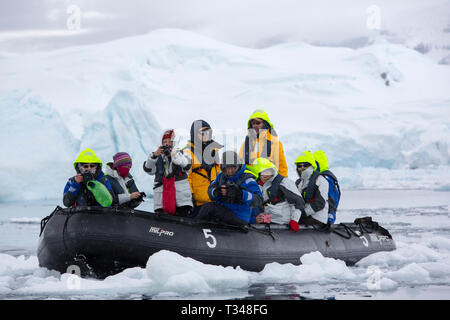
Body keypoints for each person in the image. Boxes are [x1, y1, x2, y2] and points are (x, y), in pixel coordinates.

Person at [196, 151, 263, 227]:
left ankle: (196, 231)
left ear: (238, 166)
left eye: (232, 168)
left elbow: (259, 200)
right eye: (227, 169)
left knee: (208, 208)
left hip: (239, 216)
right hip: (223, 212)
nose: (230, 171)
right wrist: (216, 192)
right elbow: (210, 190)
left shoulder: (247, 179)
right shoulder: (221, 176)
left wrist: (240, 194)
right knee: (204, 208)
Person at [143, 129, 193, 217]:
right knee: (163, 225)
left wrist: (174, 155)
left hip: (181, 199)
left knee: (182, 222)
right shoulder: (156, 156)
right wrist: (154, 156)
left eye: (169, 141)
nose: (167, 144)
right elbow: (148, 170)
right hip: (162, 200)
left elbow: (187, 165)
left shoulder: (182, 153)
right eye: (164, 141)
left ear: (174, 142)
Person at [251, 158, 305, 232]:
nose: (265, 175)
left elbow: (298, 202)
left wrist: (294, 220)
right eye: (262, 173)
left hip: (284, 223)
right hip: (269, 222)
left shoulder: (284, 182)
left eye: (267, 171)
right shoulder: (259, 187)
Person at [183, 120, 223, 216]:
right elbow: (186, 177)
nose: (206, 135)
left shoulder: (214, 151)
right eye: (202, 132)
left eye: (208, 132)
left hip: (215, 200)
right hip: (198, 203)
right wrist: (190, 196)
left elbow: (220, 173)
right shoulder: (188, 153)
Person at [239, 109, 288, 177]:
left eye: (258, 123)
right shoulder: (245, 144)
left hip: (269, 181)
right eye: (253, 123)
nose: (255, 126)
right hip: (250, 182)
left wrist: (283, 184)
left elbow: (282, 167)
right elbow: (240, 165)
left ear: (265, 124)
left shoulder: (275, 143)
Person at [294, 151, 328, 226]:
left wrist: (303, 213)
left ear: (312, 166)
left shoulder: (320, 180)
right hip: (304, 216)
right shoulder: (299, 183)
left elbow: (320, 203)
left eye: (305, 165)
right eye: (299, 166)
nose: (302, 168)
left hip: (317, 219)